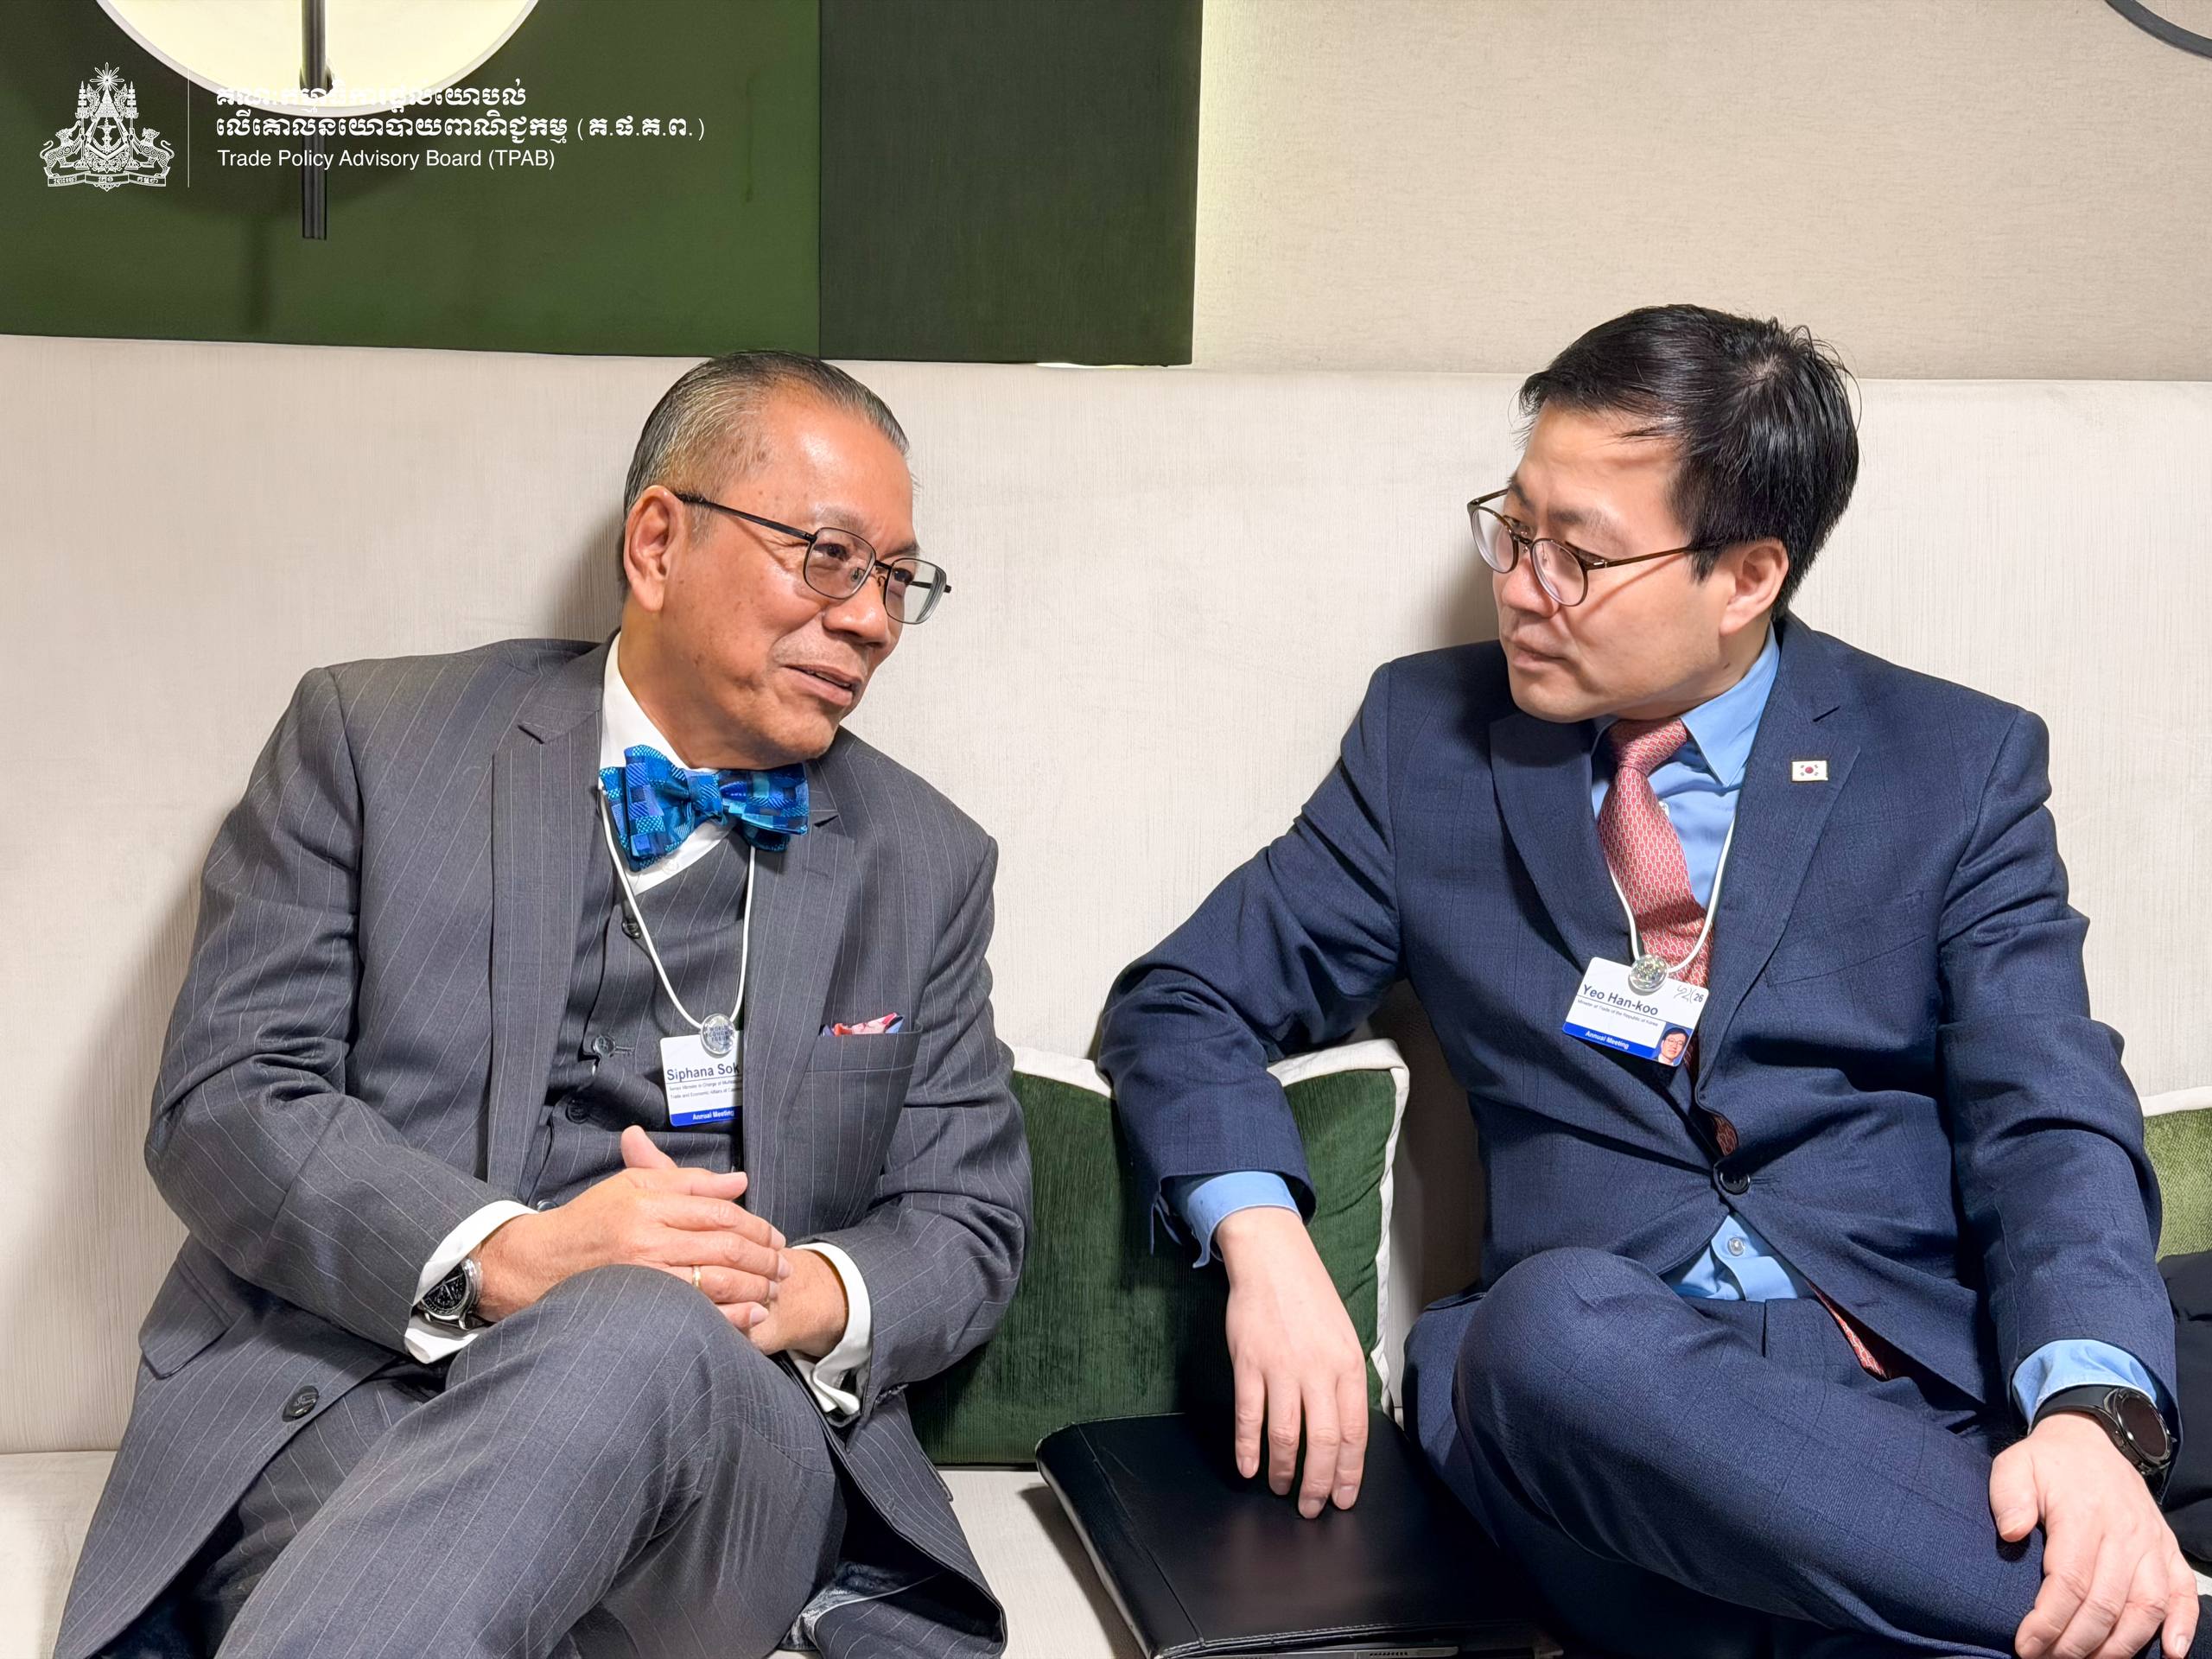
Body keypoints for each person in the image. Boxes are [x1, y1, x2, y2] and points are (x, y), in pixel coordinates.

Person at [1100, 306, 2196, 1659]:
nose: (1523, 586)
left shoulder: (1953, 763)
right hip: (1590, 1400)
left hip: (1901, 1389)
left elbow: (2049, 1115)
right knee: (1543, 1332)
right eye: (1514, 530)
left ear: (1747, 577)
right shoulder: (1423, 744)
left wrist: (2090, 1420)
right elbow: (1185, 1000)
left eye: (1580, 556)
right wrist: (1263, 1243)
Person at [57, 352, 1029, 1659]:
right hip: (353, 1378)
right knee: (412, 1583)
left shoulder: (925, 861)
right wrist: (508, 1257)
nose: (872, 621)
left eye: (898, 579)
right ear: (658, 544)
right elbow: (228, 1099)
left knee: (637, 1327)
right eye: (830, 558)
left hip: (726, 1446)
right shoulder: (370, 740)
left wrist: (786, 1291)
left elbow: (966, 1220)